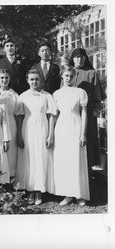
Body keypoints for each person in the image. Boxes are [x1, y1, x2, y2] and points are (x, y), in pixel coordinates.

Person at [68, 48, 106, 198]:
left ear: (85, 59)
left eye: (82, 57)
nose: (79, 60)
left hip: (88, 114)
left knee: (87, 143)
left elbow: (97, 95)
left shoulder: (91, 73)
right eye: (77, 57)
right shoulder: (67, 72)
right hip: (70, 114)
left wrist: (95, 109)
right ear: (73, 59)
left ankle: (88, 178)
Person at [16, 69, 56, 205]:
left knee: (40, 157)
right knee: (29, 158)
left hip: (42, 128)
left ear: (41, 80)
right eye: (32, 79)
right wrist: (19, 135)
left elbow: (51, 116)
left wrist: (51, 135)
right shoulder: (22, 96)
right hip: (28, 128)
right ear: (27, 80)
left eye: (37, 79)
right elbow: (19, 117)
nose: (34, 82)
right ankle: (31, 190)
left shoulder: (47, 96)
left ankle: (39, 191)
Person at [53, 65, 89, 206]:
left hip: (76, 125)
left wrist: (83, 134)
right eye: (66, 75)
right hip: (61, 128)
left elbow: (84, 113)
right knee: (65, 160)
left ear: (74, 77)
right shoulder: (56, 94)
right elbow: (54, 116)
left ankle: (79, 194)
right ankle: (68, 194)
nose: (68, 78)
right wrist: (51, 133)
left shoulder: (80, 92)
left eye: (71, 76)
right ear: (62, 76)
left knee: (76, 159)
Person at [0, 69, 20, 180]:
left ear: (9, 79)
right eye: (2, 78)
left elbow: (17, 113)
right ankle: (0, 178)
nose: (4, 80)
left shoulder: (14, 94)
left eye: (6, 78)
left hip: (11, 124)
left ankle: (10, 178)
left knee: (11, 152)